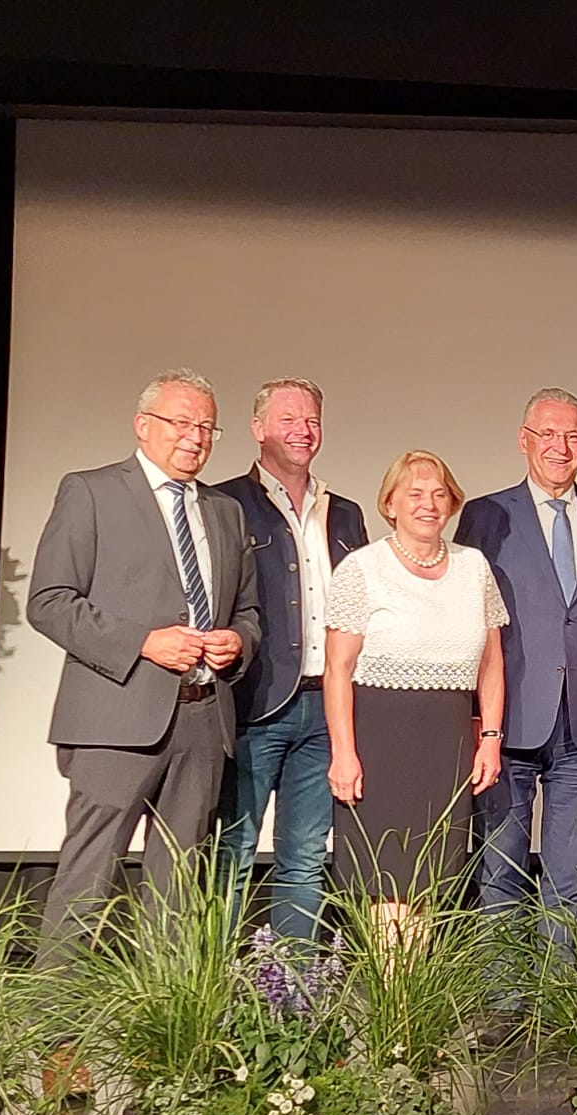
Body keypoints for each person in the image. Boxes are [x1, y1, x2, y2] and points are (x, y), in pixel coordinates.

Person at [29, 369, 261, 972]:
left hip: (203, 720)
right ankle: (56, 1036)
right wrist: (143, 643)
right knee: (88, 874)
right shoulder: (91, 491)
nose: (195, 437)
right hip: (114, 719)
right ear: (144, 425)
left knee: (179, 888)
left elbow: (250, 612)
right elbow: (50, 601)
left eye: (206, 426)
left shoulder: (226, 511)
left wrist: (239, 640)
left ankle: (164, 1029)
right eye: (181, 422)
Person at [456, 388, 577, 917]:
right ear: (523, 440)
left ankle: (561, 998)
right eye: (548, 434)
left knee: (572, 880)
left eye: (573, 436)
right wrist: (477, 716)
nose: (561, 447)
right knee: (500, 872)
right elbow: (470, 619)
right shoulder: (485, 515)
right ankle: (501, 999)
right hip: (507, 721)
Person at [212, 377, 368, 940]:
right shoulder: (224, 502)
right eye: (288, 419)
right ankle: (215, 992)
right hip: (255, 703)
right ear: (258, 430)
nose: (302, 431)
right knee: (233, 850)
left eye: (311, 420)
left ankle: (293, 1000)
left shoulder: (345, 512)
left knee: (304, 858)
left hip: (326, 706)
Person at [324, 451, 506, 926]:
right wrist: (343, 753)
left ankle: (417, 995)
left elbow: (491, 664)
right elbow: (337, 670)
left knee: (432, 882)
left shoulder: (475, 567)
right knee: (387, 883)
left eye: (439, 494)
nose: (428, 504)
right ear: (390, 503)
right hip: (380, 743)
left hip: (447, 744)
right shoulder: (362, 569)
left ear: (452, 504)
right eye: (415, 494)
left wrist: (490, 738)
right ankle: (392, 997)